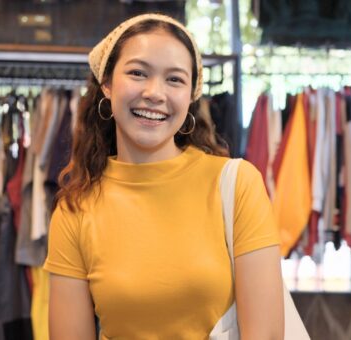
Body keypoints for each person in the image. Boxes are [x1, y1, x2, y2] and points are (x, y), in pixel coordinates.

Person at [45, 13, 284, 339]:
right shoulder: (76, 210)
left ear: (190, 96)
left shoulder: (237, 184)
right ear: (107, 84)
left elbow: (266, 334)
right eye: (138, 73)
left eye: (174, 79)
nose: (155, 93)